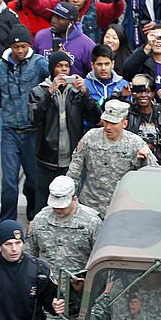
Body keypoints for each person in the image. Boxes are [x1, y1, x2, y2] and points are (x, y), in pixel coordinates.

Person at [29, 175, 101, 320]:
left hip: (80, 299)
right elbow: (30, 257)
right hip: (49, 299)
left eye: (64, 204)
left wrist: (87, 286)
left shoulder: (92, 223)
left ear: (75, 199)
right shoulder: (41, 221)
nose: (59, 209)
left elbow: (101, 261)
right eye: (56, 204)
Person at [0, 25, 49, 223]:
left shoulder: (39, 64)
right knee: (9, 181)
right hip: (9, 130)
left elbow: (52, 82)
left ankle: (33, 214)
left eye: (23, 46)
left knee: (33, 178)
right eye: (15, 47)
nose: (19, 51)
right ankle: (7, 221)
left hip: (32, 131)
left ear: (28, 45)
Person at [28, 51, 101, 212]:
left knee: (71, 205)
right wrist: (50, 92)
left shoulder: (76, 92)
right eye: (59, 66)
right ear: (52, 68)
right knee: (44, 205)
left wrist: (85, 93)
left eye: (67, 66)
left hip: (71, 160)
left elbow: (95, 117)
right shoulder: (39, 91)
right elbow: (33, 118)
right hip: (46, 159)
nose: (63, 70)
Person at [66, 99, 157, 216]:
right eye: (106, 121)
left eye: (113, 123)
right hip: (90, 206)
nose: (108, 127)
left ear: (124, 124)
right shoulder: (90, 137)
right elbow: (74, 171)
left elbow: (152, 173)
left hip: (119, 208)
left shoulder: (135, 143)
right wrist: (68, 198)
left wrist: (144, 159)